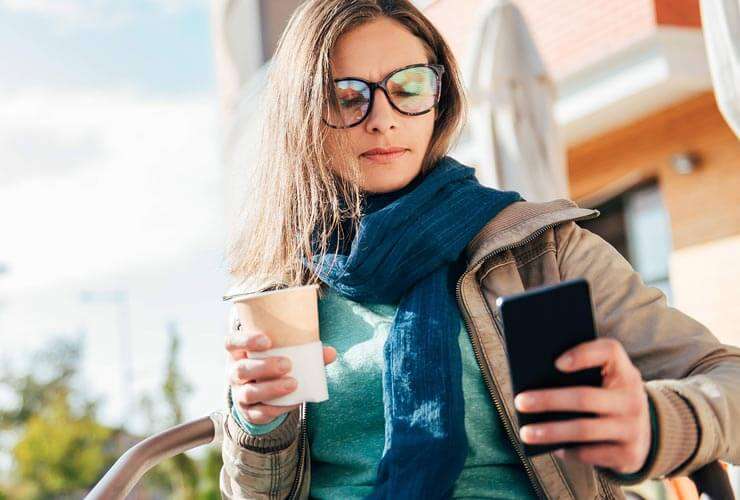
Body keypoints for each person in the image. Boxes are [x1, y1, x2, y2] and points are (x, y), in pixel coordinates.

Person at [219, 1, 740, 499]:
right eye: (347, 96)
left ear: (438, 97)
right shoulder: (279, 285)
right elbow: (255, 494)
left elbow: (726, 377)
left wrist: (653, 421)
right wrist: (259, 425)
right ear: (303, 113)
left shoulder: (538, 250)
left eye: (409, 86)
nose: (383, 118)